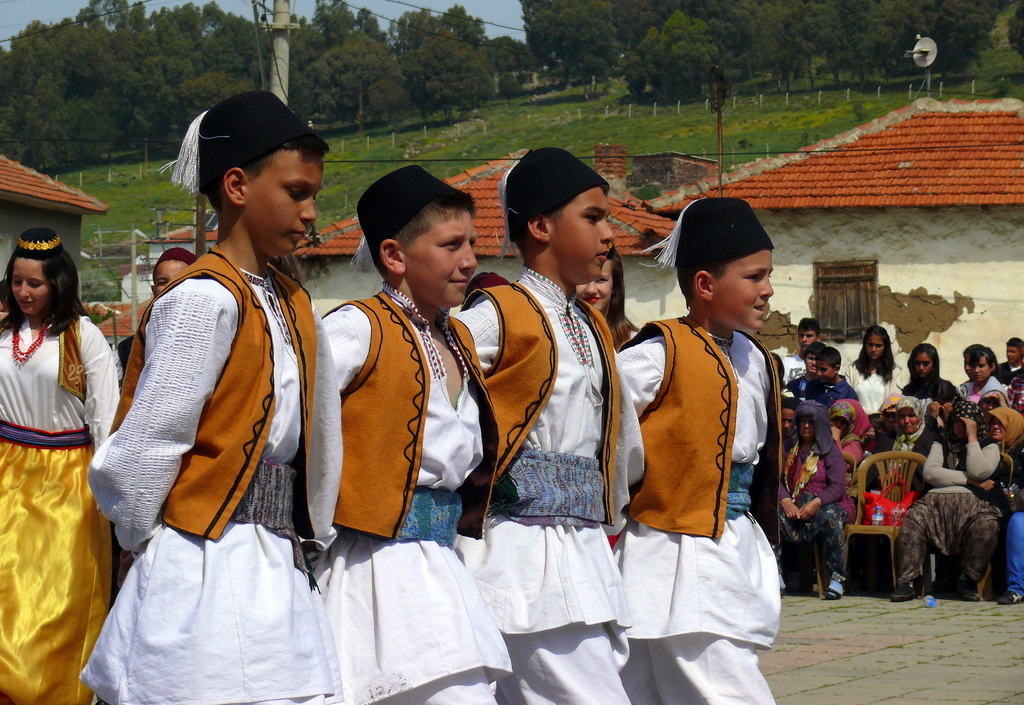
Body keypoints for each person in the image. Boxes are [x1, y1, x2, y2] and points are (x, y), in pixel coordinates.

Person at [83, 91, 343, 705]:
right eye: (297, 191)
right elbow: (149, 442)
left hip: (275, 559)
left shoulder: (290, 300)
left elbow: (322, 436)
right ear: (236, 186)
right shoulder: (203, 300)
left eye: (314, 195)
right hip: (202, 561)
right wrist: (146, 543)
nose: (310, 213)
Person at [317, 166, 511, 705]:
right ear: (395, 256)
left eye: (472, 242)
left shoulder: (459, 338)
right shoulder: (357, 329)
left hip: (442, 561)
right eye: (451, 244)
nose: (470, 259)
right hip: (374, 568)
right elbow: (294, 419)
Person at [454, 148, 634, 705]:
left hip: (580, 549)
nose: (610, 233)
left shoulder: (590, 324)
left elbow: (623, 443)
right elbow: (436, 385)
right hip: (520, 553)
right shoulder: (499, 312)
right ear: (540, 226)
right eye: (593, 216)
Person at [615, 197, 781, 705]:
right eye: (754, 277)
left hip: (732, 540)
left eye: (768, 275)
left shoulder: (757, 358)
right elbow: (608, 432)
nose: (768, 290)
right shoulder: (656, 355)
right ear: (705, 285)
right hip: (675, 551)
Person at [0, 228, 119, 705]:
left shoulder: (81, 335)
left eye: (36, 284)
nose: (24, 293)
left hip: (67, 479)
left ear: (59, 284)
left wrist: (112, 493)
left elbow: (106, 418)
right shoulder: (4, 334)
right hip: (7, 471)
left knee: (57, 597)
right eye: (17, 282)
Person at [891, 401, 1010, 602]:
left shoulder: (988, 445)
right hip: (936, 504)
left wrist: (972, 438)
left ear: (977, 423)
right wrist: (970, 481)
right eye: (957, 422)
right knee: (914, 519)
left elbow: (979, 470)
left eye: (967, 423)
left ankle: (968, 579)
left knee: (986, 525)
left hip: (978, 506)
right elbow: (931, 473)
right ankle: (908, 581)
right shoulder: (941, 442)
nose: (961, 427)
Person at [777, 401, 853, 600]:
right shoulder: (787, 449)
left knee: (830, 518)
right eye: (802, 421)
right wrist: (785, 501)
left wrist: (816, 502)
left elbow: (837, 486)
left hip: (825, 504)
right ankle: (775, 576)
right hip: (794, 503)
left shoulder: (830, 449)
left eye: (811, 421)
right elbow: (776, 480)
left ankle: (836, 579)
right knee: (771, 517)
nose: (806, 426)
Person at [115, 247, 198, 381]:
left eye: (181, 280)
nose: (172, 286)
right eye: (163, 282)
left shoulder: (219, 341)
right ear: (154, 290)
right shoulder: (128, 350)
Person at [868, 397, 939, 493]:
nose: (906, 421)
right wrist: (881, 478)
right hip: (883, 491)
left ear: (919, 416)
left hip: (916, 495)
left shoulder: (931, 440)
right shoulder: (887, 438)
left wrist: (897, 476)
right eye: (902, 416)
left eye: (911, 415)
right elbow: (872, 469)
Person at [577, 248, 638, 350]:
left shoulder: (636, 344)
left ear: (614, 285)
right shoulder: (558, 337)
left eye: (601, 280)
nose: (591, 290)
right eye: (583, 279)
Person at [846, 325, 904, 413]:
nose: (873, 349)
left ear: (885, 347)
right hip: (859, 421)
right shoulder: (852, 370)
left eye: (878, 346)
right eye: (870, 345)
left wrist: (878, 417)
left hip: (884, 423)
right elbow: (849, 401)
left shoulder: (894, 372)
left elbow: (894, 400)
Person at [828, 398, 870, 468]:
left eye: (844, 422)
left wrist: (836, 439)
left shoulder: (853, 444)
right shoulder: (819, 438)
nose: (838, 425)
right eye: (836, 419)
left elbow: (840, 466)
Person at [781, 317, 821, 385]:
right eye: (801, 335)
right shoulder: (786, 363)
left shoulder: (824, 363)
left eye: (809, 336)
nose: (804, 340)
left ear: (818, 338)